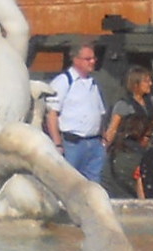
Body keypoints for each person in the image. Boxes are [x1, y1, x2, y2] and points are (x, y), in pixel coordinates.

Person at [46, 44, 107, 184]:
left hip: (94, 143)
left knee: (94, 185)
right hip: (73, 144)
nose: (93, 61)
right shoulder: (63, 82)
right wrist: (57, 144)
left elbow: (100, 112)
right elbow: (52, 114)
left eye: (93, 58)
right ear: (76, 60)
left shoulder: (94, 83)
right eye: (88, 59)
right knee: (69, 183)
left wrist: (103, 140)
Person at [103, 66, 153, 148]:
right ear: (135, 84)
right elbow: (113, 129)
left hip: (149, 142)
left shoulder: (151, 100)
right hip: (130, 146)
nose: (150, 84)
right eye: (146, 82)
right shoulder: (124, 104)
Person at [104, 113, 152, 200]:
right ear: (139, 135)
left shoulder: (110, 152)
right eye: (149, 136)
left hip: (108, 202)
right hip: (130, 206)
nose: (150, 140)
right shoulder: (140, 159)